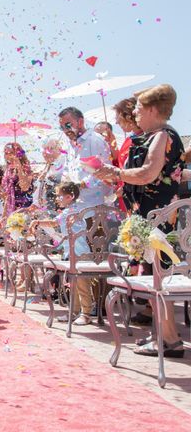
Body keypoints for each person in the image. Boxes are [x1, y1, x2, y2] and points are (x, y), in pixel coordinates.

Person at [95, 84, 186, 357]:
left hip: (157, 216)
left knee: (156, 275)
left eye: (138, 108)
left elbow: (148, 173)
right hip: (149, 213)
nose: (134, 113)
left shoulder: (162, 135)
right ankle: (165, 336)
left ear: (152, 110)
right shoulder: (155, 135)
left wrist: (116, 172)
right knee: (152, 275)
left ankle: (169, 340)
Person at [30, 182, 93, 325]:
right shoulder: (73, 210)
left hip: (79, 253)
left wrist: (37, 222)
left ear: (70, 197)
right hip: (74, 252)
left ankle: (86, 313)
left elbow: (53, 223)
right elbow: (54, 222)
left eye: (60, 196)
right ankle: (75, 311)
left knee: (81, 284)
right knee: (75, 283)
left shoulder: (70, 211)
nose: (57, 199)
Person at [59, 106, 113, 213]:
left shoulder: (95, 140)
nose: (65, 130)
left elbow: (105, 172)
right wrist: (64, 186)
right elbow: (67, 170)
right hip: (77, 207)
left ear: (80, 122)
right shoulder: (70, 145)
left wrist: (80, 185)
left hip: (97, 207)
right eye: (62, 127)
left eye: (68, 125)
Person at [1, 142, 34, 215]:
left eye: (11, 153)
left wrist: (19, 166)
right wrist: (4, 214)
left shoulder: (26, 167)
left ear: (18, 153)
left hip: (24, 207)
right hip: (11, 209)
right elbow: (7, 195)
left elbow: (25, 187)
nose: (9, 155)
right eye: (6, 153)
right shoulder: (8, 171)